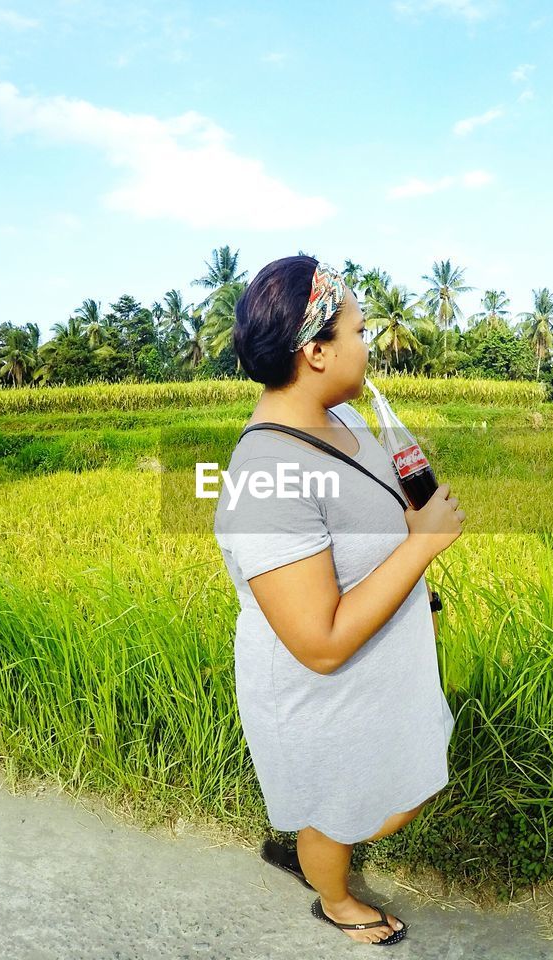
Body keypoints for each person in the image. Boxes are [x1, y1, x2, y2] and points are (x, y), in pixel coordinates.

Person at [212, 256, 465, 946]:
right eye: (358, 330)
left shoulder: (341, 414)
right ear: (316, 351)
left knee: (406, 782)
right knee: (339, 809)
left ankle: (318, 843)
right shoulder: (263, 479)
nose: (368, 344)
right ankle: (331, 892)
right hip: (321, 694)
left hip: (377, 674)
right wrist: (422, 546)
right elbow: (319, 644)